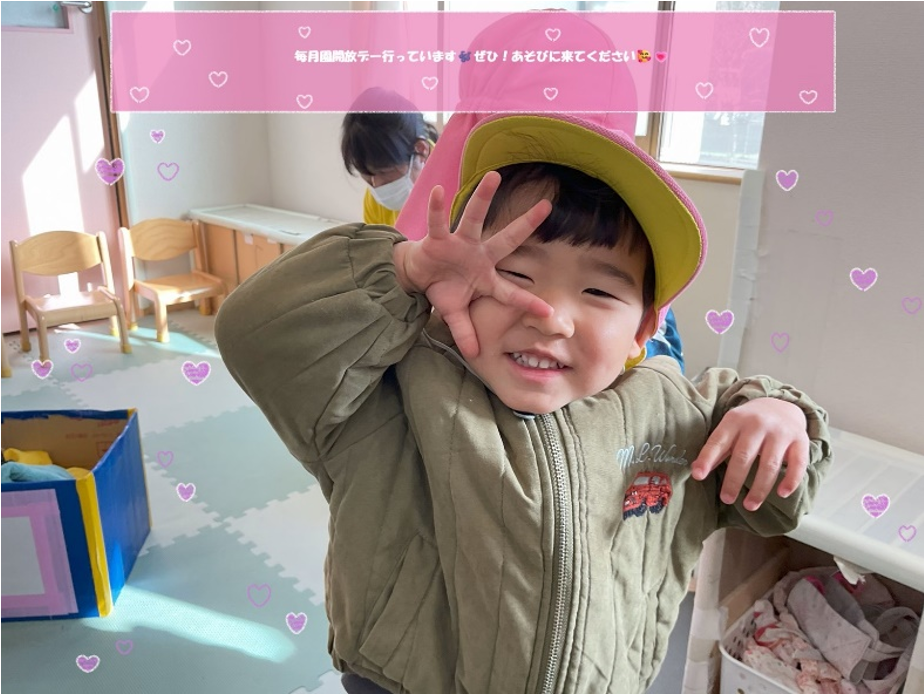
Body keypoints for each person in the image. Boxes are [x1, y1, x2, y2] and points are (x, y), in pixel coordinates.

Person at [214, 110, 831, 694]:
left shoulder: (673, 418)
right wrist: (401, 269)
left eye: (598, 291)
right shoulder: (387, 389)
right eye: (512, 275)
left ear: (644, 329)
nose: (550, 317)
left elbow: (779, 506)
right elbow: (254, 333)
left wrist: (778, 413)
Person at [341, 89, 438, 227]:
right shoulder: (373, 199)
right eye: (366, 175)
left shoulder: (454, 183)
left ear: (421, 150)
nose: (377, 185)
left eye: (384, 172)